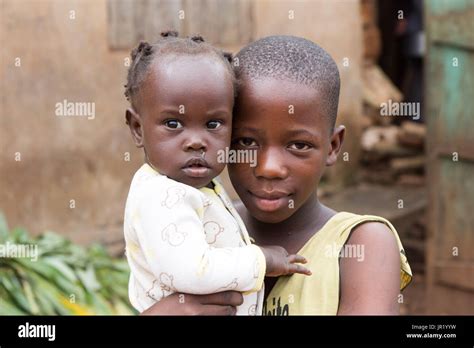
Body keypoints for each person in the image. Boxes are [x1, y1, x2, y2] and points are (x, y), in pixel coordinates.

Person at [142, 35, 412, 315]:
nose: (268, 168)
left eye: (298, 145)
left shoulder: (361, 243)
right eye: (245, 142)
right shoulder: (199, 231)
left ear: (332, 147)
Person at [123, 32, 311, 316]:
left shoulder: (195, 186)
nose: (196, 141)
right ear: (138, 129)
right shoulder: (161, 196)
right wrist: (262, 260)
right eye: (173, 123)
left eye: (213, 124)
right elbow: (193, 271)